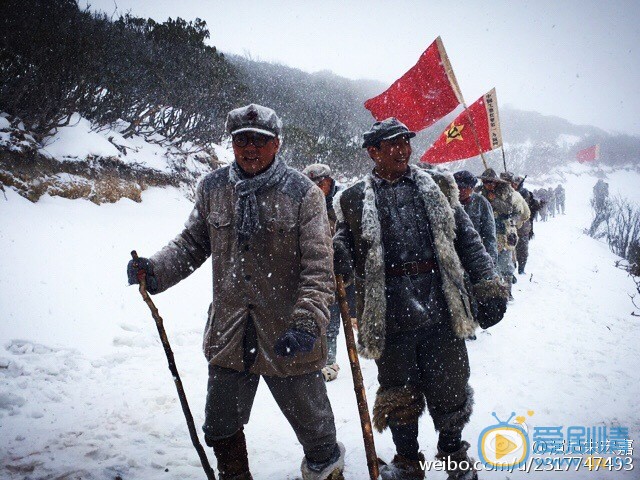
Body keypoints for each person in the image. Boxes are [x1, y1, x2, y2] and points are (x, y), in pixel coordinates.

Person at [127, 104, 345, 480]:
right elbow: (192, 243)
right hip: (231, 334)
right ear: (232, 143)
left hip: (289, 332)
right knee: (221, 428)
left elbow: (318, 268)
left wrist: (307, 323)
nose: (250, 148)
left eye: (260, 141)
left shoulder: (303, 194)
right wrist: (155, 269)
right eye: (242, 140)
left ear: (276, 145)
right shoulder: (213, 188)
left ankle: (326, 473)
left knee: (317, 435)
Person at [333, 118, 508, 480]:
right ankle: (407, 461)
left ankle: (452, 452)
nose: (402, 150)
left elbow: (469, 241)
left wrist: (488, 285)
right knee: (398, 389)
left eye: (405, 142)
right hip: (389, 313)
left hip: (440, 306)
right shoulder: (351, 200)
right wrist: (337, 254)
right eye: (392, 144)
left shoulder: (438, 187)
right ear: (373, 152)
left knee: (451, 383)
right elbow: (341, 252)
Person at [302, 163, 355, 382]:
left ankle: (329, 362)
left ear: (328, 181)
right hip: (314, 269)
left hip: (340, 270)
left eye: (319, 183)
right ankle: (314, 360)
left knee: (333, 319)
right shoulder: (305, 201)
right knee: (314, 317)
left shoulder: (342, 202)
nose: (316, 188)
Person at [478, 169, 522, 299]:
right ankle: (495, 291)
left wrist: (495, 200)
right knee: (490, 262)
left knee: (505, 263)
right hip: (487, 232)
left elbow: (510, 209)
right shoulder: (480, 192)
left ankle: (507, 291)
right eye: (485, 182)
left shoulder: (507, 192)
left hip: (504, 232)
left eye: (491, 182)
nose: (488, 185)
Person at [514, 175, 541, 274]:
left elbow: (531, 209)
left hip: (523, 228)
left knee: (523, 251)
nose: (515, 185)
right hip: (512, 227)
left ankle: (521, 269)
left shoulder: (525, 193)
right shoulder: (509, 193)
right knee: (511, 251)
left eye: (517, 183)